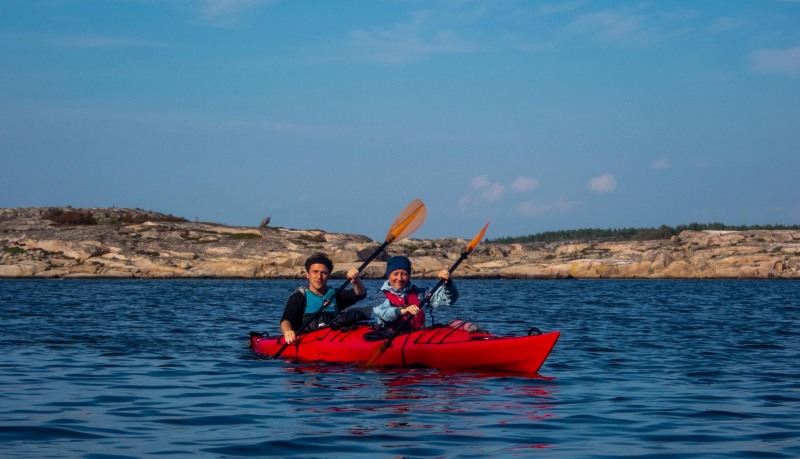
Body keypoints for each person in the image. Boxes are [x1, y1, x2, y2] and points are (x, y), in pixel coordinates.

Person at [280, 253, 366, 344]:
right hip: (307, 343)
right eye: (315, 272)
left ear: (329, 276)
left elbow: (360, 294)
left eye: (324, 273)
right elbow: (286, 320)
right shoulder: (299, 297)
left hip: (334, 342)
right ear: (308, 275)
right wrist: (287, 331)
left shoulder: (336, 294)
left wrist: (356, 281)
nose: (319, 277)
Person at [372, 255, 458, 332]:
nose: (400, 278)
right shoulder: (381, 296)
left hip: (417, 338)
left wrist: (448, 283)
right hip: (391, 338)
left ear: (409, 276)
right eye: (395, 274)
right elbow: (383, 312)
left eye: (404, 274)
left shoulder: (420, 293)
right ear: (389, 275)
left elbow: (450, 297)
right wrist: (403, 311)